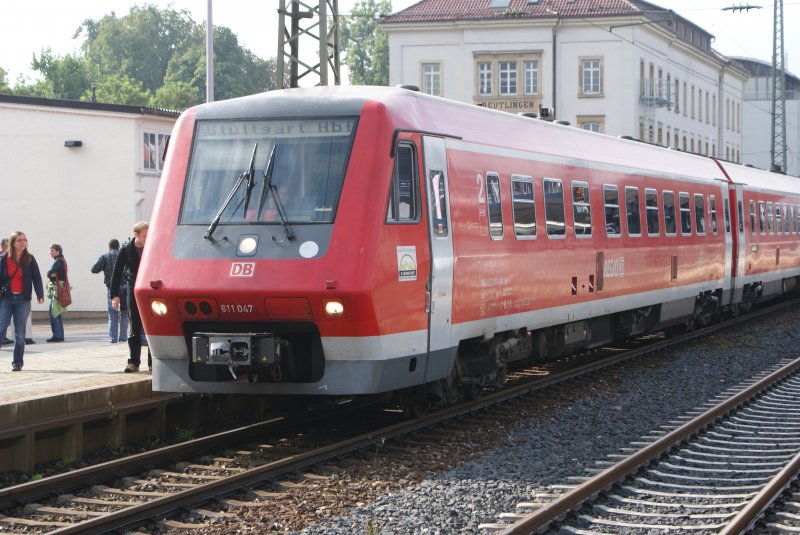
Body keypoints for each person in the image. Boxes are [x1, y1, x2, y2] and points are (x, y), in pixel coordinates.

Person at [0, 231, 45, 371]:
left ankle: (17, 363)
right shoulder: (3, 259)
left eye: (24, 240)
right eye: (19, 240)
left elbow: (36, 277)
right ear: (13, 243)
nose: (23, 242)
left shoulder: (29, 259)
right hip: (6, 299)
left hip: (23, 301)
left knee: (20, 334)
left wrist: (40, 294)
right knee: (1, 328)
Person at [110, 221, 150, 373]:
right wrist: (114, 295)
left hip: (151, 289)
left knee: (151, 326)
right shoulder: (126, 250)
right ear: (136, 234)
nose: (147, 238)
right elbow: (116, 273)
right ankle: (134, 362)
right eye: (144, 236)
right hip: (134, 290)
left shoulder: (152, 246)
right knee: (135, 326)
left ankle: (153, 362)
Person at [92, 239, 128, 343]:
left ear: (109, 247)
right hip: (124, 286)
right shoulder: (124, 255)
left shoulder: (105, 256)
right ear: (118, 246)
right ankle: (123, 337)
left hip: (111, 288)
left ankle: (113, 339)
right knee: (124, 313)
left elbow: (94, 269)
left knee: (112, 314)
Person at [46, 243, 67, 342]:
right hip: (61, 287)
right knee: (57, 312)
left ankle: (57, 336)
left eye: (52, 250)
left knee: (53, 311)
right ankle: (60, 335)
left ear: (58, 251)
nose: (50, 252)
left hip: (57, 288)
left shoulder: (58, 261)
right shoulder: (63, 260)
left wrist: (52, 275)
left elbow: (49, 273)